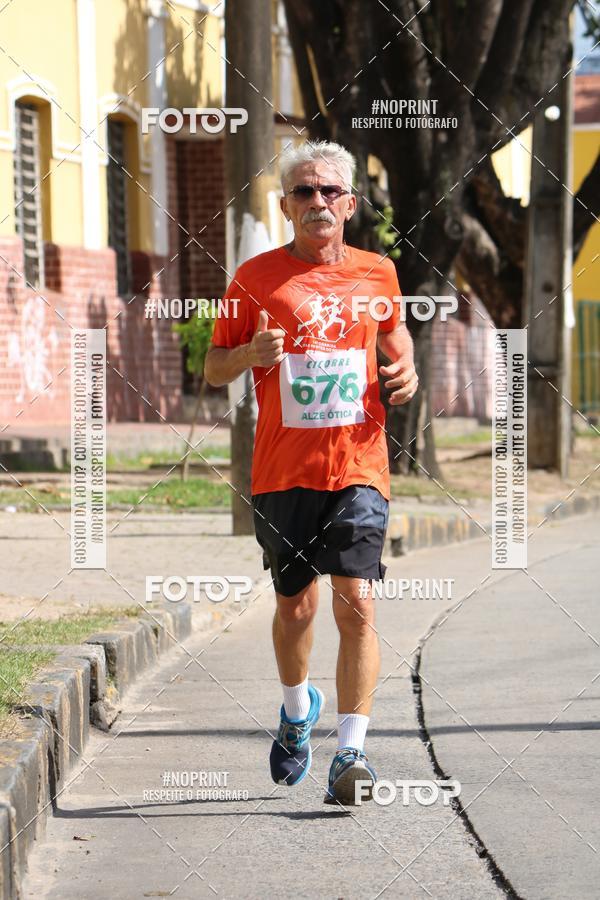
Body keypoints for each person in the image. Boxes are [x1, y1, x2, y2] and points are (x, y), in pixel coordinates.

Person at [204, 140, 417, 805]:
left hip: (359, 461)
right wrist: (249, 354)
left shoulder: (377, 273)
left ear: (350, 203)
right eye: (304, 191)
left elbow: (396, 336)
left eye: (330, 191)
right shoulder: (254, 279)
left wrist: (405, 369)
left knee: (357, 601)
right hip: (281, 469)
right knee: (296, 606)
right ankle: (298, 712)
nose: (318, 201)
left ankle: (350, 755)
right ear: (285, 205)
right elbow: (212, 368)